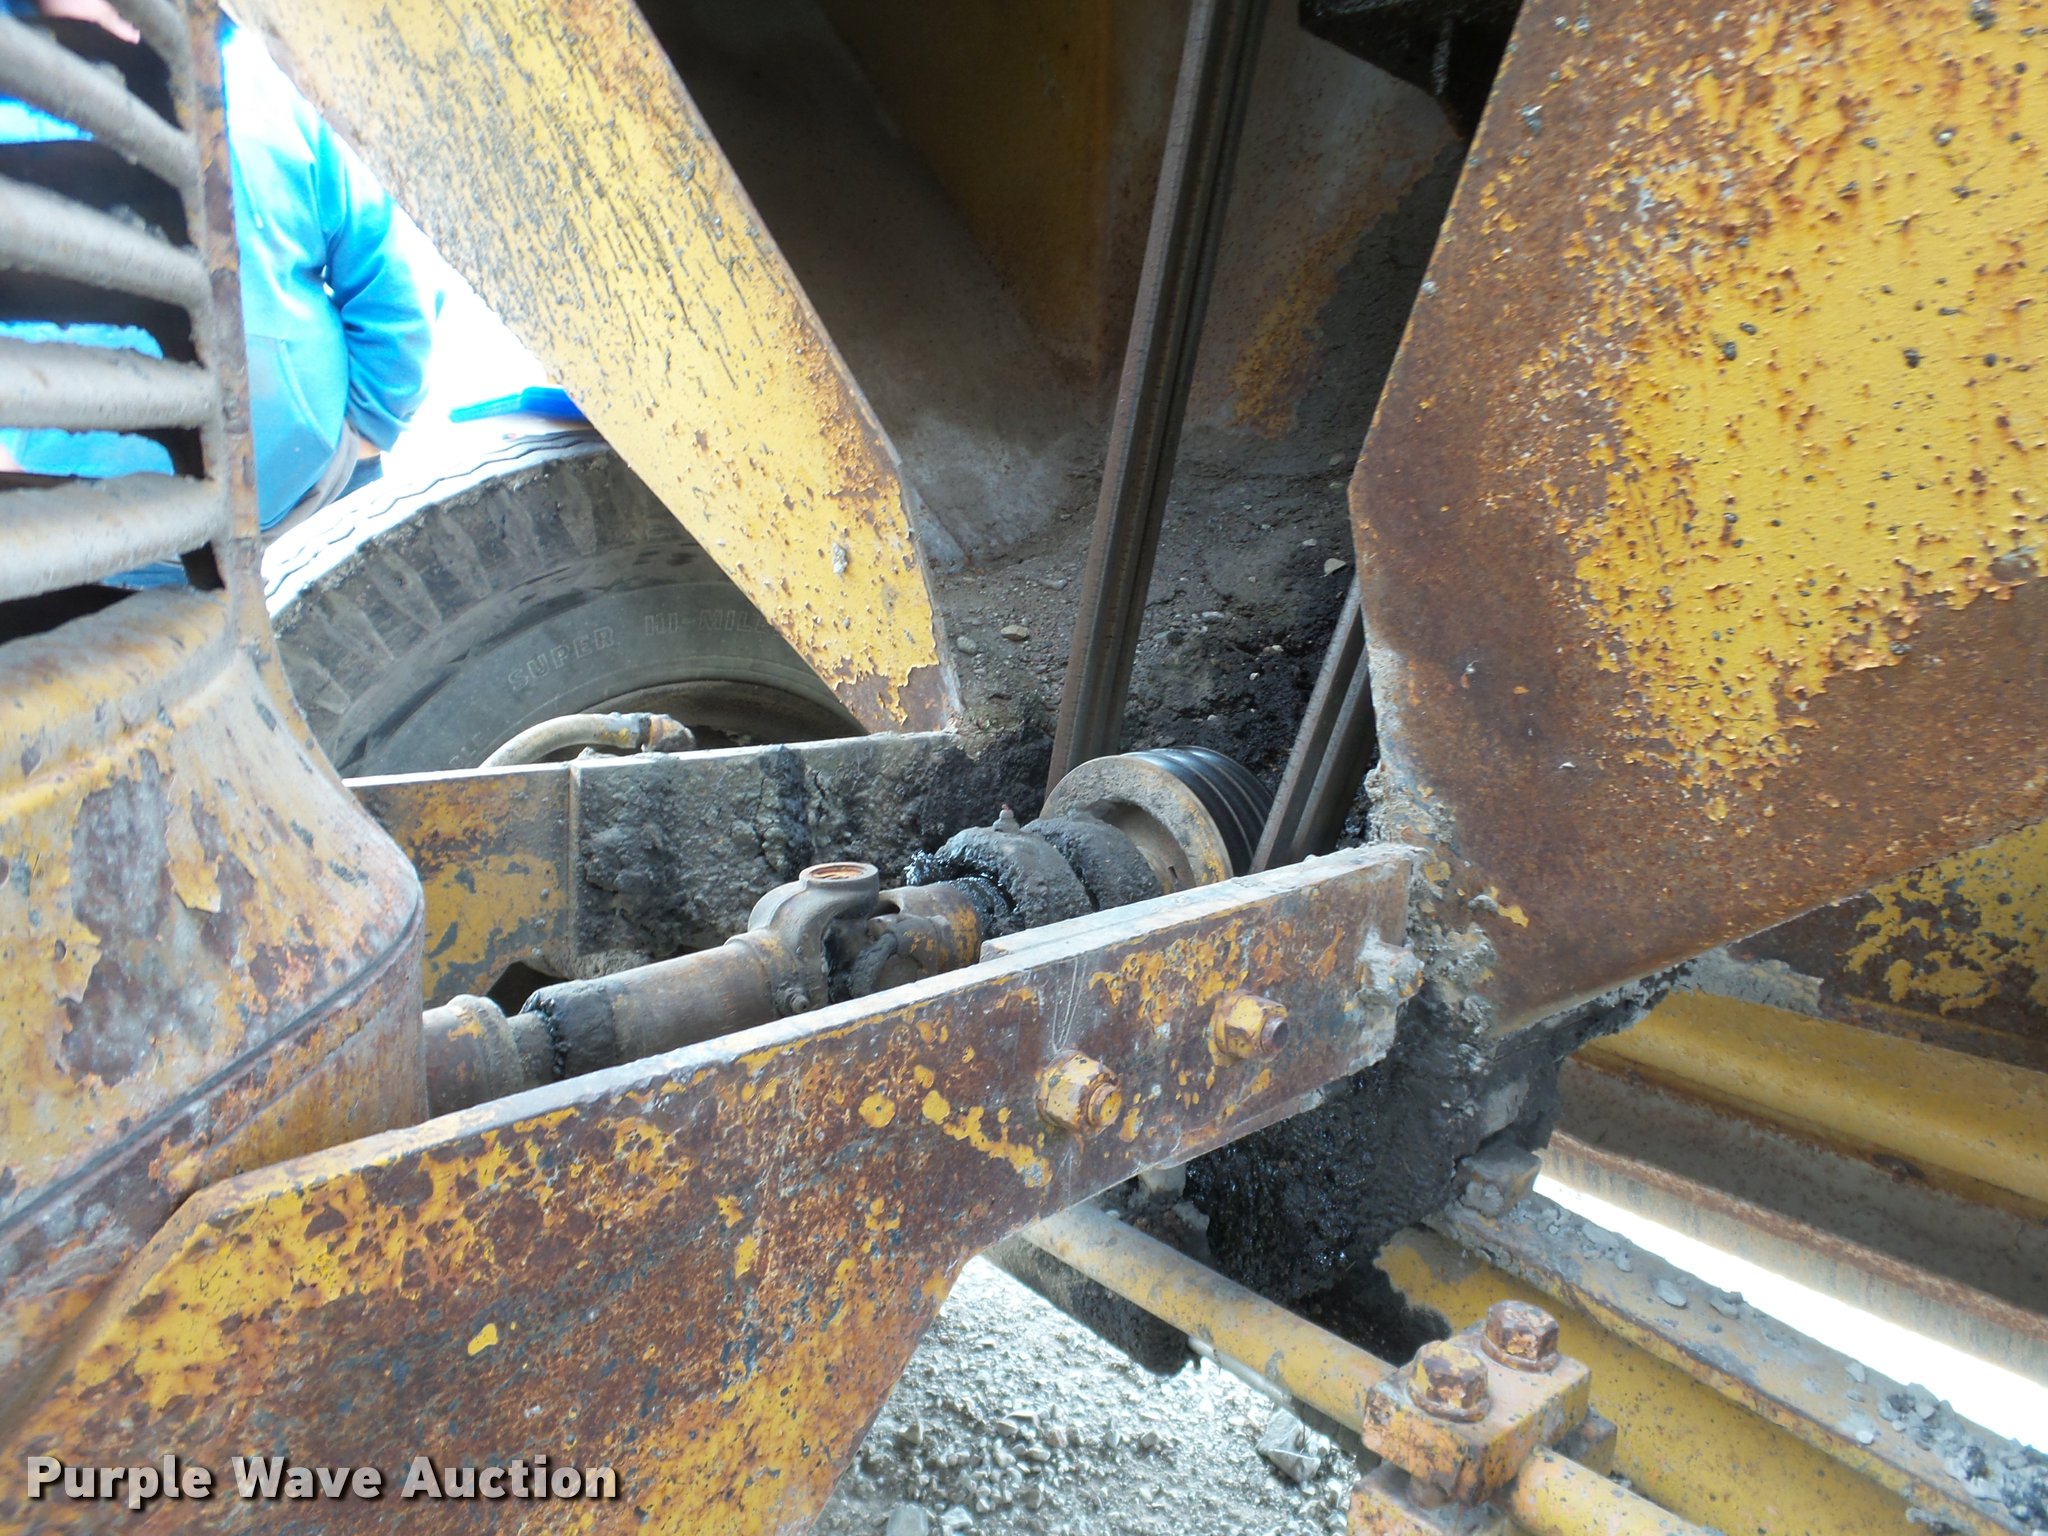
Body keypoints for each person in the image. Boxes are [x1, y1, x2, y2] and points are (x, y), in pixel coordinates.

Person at [0, 1, 437, 547]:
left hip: (323, 497)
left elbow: (384, 266)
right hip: (122, 558)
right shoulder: (14, 130)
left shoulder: (269, 77)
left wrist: (370, 430)